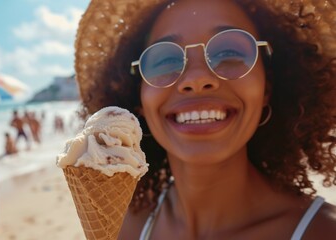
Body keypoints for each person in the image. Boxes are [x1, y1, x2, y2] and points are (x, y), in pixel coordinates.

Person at [74, 0, 336, 239]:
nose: (197, 79)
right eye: (166, 60)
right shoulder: (123, 225)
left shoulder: (323, 231)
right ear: (138, 99)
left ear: (267, 87)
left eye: (229, 53)